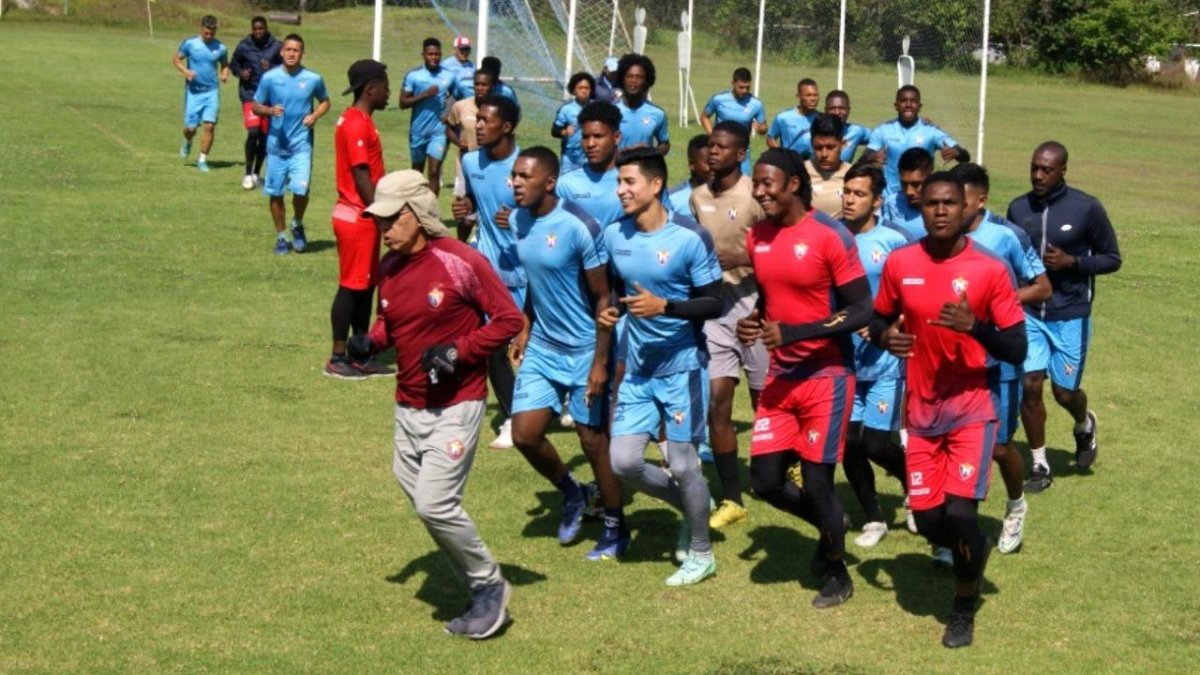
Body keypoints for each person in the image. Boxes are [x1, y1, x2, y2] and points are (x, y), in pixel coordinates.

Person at [348, 169, 524, 640]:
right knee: (427, 505)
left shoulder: (461, 261)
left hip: (456, 405)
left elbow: (508, 319)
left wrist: (458, 352)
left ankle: (489, 587)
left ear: (418, 213)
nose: (384, 228)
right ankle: (478, 587)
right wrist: (372, 341)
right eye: (380, 220)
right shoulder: (389, 266)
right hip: (407, 406)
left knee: (435, 504)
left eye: (392, 218)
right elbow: (392, 322)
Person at [868, 172, 1027, 648]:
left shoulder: (990, 269)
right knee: (929, 519)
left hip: (972, 407)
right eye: (931, 203)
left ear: (967, 209)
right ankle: (974, 549)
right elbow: (878, 318)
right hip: (920, 411)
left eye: (949, 203)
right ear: (921, 209)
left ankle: (962, 608)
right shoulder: (901, 262)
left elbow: (1017, 347)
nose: (940, 211)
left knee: (959, 514)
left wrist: (975, 327)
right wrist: (885, 337)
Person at [737, 148, 872, 609]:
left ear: (793, 184)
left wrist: (796, 332)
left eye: (767, 184)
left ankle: (837, 572)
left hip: (827, 375)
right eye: (756, 184)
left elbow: (862, 309)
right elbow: (771, 298)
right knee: (765, 481)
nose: (759, 192)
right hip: (782, 374)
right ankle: (831, 524)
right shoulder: (758, 237)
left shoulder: (830, 235)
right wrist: (754, 320)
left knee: (817, 484)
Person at [598, 148, 724, 586]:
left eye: (629, 182)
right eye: (618, 182)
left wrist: (665, 306)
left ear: (655, 185)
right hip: (637, 369)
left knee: (685, 466)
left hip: (683, 367)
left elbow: (715, 302)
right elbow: (616, 290)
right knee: (623, 462)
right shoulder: (614, 234)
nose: (621, 190)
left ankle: (702, 553)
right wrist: (612, 311)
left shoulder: (689, 237)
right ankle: (693, 506)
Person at [507, 146, 629, 560]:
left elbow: (604, 298)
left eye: (524, 176)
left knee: (592, 442)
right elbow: (536, 279)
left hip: (584, 349)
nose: (516, 183)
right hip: (544, 346)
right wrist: (526, 326)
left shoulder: (580, 227)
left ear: (550, 182)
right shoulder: (519, 220)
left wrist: (599, 362)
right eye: (514, 175)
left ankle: (616, 528)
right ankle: (574, 493)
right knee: (524, 435)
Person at [1007, 141, 1121, 492]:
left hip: (1070, 314)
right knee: (1030, 385)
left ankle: (1084, 424)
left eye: (1046, 170)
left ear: (1062, 171)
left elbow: (1112, 258)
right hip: (1030, 314)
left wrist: (1074, 262)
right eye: (1034, 168)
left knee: (1063, 393)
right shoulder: (1018, 208)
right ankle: (1039, 465)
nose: (1038, 175)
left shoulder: (1087, 208)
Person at [951, 162, 1053, 554]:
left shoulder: (1007, 236)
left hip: (999, 360)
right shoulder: (941, 239)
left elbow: (1042, 287)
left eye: (961, 201)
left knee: (997, 447)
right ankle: (953, 530)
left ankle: (1015, 506)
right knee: (952, 444)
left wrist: (996, 303)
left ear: (980, 200)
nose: (952, 209)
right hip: (954, 361)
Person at [688, 122, 767, 529]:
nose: (713, 152)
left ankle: (782, 468)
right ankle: (732, 498)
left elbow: (776, 250)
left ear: (740, 154)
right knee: (717, 402)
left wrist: (740, 260)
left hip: (756, 311)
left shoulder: (755, 196)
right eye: (710, 146)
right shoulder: (697, 197)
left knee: (764, 403)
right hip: (716, 315)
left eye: (722, 147)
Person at [838, 163, 912, 548]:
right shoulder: (832, 236)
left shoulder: (895, 241)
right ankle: (874, 518)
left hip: (885, 363)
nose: (850, 200)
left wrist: (888, 326)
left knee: (877, 444)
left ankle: (915, 487)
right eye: (847, 192)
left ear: (878, 200)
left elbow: (912, 294)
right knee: (849, 443)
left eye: (859, 194)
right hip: (842, 361)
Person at [452, 96, 523, 450]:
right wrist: (465, 211)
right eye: (477, 118)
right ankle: (513, 418)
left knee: (534, 348)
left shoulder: (526, 165)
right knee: (492, 348)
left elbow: (549, 213)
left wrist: (520, 219)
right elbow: (472, 207)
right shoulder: (469, 161)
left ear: (506, 127)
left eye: (485, 120)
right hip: (489, 273)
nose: (477, 125)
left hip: (528, 274)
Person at [324, 59, 400, 380]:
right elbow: (360, 175)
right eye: (385, 86)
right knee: (350, 286)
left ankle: (360, 352)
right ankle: (337, 357)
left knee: (365, 287)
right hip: (358, 215)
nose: (389, 92)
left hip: (358, 215)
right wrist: (379, 213)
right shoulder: (356, 123)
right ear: (370, 89)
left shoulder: (357, 118)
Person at [252, 33, 330, 255]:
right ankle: (281, 237)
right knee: (276, 193)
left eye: (296, 50)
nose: (292, 54)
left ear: (302, 54)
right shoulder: (270, 78)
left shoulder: (313, 79)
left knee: (301, 190)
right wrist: (269, 110)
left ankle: (297, 223)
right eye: (288, 49)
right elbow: (255, 105)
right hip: (276, 147)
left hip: (301, 146)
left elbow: (325, 102)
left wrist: (314, 116)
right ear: (281, 52)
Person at [864, 85, 968, 195]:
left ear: (919, 106)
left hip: (920, 197)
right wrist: (872, 157)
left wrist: (956, 153)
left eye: (913, 101)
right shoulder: (883, 130)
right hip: (889, 197)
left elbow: (965, 157)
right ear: (896, 106)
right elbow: (863, 159)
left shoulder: (931, 131)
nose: (908, 105)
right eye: (903, 101)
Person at [400, 38, 458, 197]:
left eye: (437, 54)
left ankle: (431, 209)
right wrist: (424, 94)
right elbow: (403, 103)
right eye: (430, 54)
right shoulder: (414, 76)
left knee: (434, 171)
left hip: (438, 131)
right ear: (423, 55)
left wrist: (448, 111)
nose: (434, 57)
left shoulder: (448, 76)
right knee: (416, 173)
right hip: (418, 131)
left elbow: (456, 95)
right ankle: (415, 206)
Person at [230, 16, 282, 189]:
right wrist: (240, 73)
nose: (258, 32)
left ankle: (257, 173)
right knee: (253, 132)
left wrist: (271, 68)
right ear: (252, 29)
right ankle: (247, 174)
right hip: (250, 95)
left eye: (261, 28)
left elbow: (286, 67)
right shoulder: (244, 45)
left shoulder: (277, 46)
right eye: (255, 29)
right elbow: (233, 64)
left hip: (269, 98)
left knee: (265, 136)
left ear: (266, 28)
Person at [556, 101, 625, 228]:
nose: (590, 144)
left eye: (598, 136)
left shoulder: (634, 183)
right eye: (585, 137)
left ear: (616, 137)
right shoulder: (566, 185)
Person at [174, 15, 229, 173]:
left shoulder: (221, 48)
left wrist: (224, 74)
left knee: (209, 126)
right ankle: (187, 141)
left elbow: (225, 64)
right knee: (190, 129)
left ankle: (202, 160)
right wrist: (186, 71)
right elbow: (176, 59)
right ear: (201, 28)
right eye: (206, 33)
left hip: (211, 92)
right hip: (193, 93)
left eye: (212, 33)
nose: (209, 36)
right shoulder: (190, 44)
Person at [701, 68, 767, 174]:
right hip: (720, 150)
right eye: (741, 87)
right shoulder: (719, 99)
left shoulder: (756, 104)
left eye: (747, 88)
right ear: (733, 83)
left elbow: (764, 127)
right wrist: (713, 136)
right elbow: (704, 117)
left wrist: (761, 129)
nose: (744, 91)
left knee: (744, 182)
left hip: (742, 152)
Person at [614, 54, 669, 155]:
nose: (633, 81)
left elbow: (664, 143)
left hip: (644, 165)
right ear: (622, 79)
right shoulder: (611, 111)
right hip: (618, 165)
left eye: (639, 77)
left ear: (646, 82)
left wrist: (651, 153)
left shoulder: (657, 114)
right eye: (629, 76)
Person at [805, 114, 851, 219]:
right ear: (811, 144)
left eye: (830, 147)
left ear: (843, 144)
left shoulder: (853, 175)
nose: (824, 154)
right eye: (818, 148)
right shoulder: (800, 172)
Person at [882, 147, 934, 240]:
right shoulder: (891, 203)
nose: (909, 192)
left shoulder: (943, 206)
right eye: (904, 184)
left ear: (931, 178)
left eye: (916, 184)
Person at [551, 72, 596, 174]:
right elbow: (554, 131)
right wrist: (564, 132)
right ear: (574, 90)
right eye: (580, 88)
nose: (584, 91)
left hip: (589, 154)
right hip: (570, 157)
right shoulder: (566, 109)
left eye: (587, 88)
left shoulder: (597, 107)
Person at [445, 70, 494, 161]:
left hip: (491, 161)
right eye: (477, 84)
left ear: (492, 86)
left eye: (484, 85)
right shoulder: (460, 106)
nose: (480, 88)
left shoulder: (499, 109)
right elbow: (448, 129)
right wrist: (459, 142)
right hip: (465, 161)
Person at [766, 78, 819, 155]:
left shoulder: (822, 119)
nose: (813, 99)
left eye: (815, 95)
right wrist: (781, 154)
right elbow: (770, 138)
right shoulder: (784, 118)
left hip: (813, 162)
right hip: (790, 161)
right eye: (808, 95)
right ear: (799, 96)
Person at [817, 90, 870, 163]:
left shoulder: (856, 131)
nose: (837, 112)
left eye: (841, 108)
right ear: (825, 111)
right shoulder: (814, 134)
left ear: (848, 110)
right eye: (832, 108)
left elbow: (880, 137)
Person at [665, 135, 709, 217]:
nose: (715, 167)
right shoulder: (672, 200)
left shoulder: (727, 194)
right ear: (692, 164)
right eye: (709, 163)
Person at [444, 34, 476, 99]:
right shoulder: (446, 65)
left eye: (467, 49)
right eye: (461, 49)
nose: (464, 52)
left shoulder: (473, 67)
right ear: (454, 50)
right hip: (452, 98)